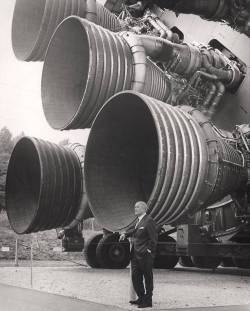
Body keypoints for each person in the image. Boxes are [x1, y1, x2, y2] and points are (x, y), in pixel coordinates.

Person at [120, 201, 158, 308]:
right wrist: (124, 234)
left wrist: (149, 251)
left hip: (145, 255)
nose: (135, 209)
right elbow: (134, 230)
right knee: (136, 277)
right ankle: (141, 298)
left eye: (137, 207)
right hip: (135, 255)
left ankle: (148, 300)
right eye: (135, 207)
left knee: (148, 277)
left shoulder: (149, 221)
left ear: (144, 209)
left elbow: (154, 239)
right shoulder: (138, 221)